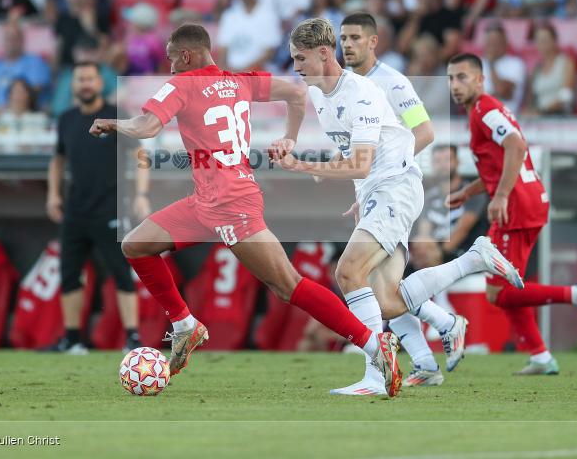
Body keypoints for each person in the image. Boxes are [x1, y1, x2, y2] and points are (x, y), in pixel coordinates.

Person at [89, 24, 403, 396]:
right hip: (207, 200)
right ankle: (187, 325)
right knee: (135, 245)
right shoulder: (239, 80)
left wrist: (114, 123)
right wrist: (290, 136)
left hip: (229, 203)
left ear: (186, 56)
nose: (169, 67)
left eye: (172, 58)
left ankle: (372, 343)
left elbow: (147, 126)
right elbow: (296, 93)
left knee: (287, 285)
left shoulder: (179, 85)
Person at [277, 17, 524, 395]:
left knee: (348, 272)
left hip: (397, 188)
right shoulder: (316, 92)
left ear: (324, 54)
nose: (296, 67)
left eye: (301, 59)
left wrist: (305, 165)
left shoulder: (365, 91)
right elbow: (307, 112)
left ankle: (377, 374)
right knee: (387, 301)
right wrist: (294, 143)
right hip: (378, 191)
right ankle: (474, 261)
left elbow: (366, 159)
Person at [445, 53, 577, 375]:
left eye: (462, 77)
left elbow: (517, 147)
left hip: (517, 206)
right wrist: (468, 191)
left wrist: (501, 195)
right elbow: (502, 162)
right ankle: (541, 356)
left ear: (480, 80)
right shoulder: (484, 111)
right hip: (527, 201)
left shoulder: (484, 110)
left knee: (499, 291)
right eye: (450, 78)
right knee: (507, 289)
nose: (455, 85)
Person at [337, 12, 461, 391]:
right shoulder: (346, 87)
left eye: (356, 37)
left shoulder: (393, 82)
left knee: (364, 277)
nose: (348, 44)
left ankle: (445, 324)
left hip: (395, 187)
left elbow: (424, 131)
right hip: (372, 189)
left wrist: (385, 173)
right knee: (379, 286)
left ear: (374, 42)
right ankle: (425, 359)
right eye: (344, 38)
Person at [46, 62, 141, 354]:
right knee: (70, 274)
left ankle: (132, 339)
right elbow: (58, 159)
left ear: (100, 83)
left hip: (111, 208)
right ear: (73, 85)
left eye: (90, 78)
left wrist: (142, 194)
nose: (85, 84)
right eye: (80, 79)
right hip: (75, 209)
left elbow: (140, 153)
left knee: (121, 273)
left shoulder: (117, 116)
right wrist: (53, 194)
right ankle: (72, 338)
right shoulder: (66, 119)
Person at [216, 0, 281, 72]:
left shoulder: (268, 15)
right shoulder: (229, 16)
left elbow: (269, 53)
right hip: (232, 73)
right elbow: (223, 51)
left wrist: (244, 72)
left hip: (257, 72)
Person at [0, 22, 52, 113]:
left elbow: (35, 91)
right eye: (7, 38)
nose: (11, 42)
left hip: (26, 120)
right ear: (2, 41)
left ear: (22, 40)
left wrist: (7, 110)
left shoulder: (35, 62)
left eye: (14, 38)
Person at [54, 0, 111, 68]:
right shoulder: (61, 19)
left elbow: (106, 49)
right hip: (67, 69)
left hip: (93, 67)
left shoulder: (98, 16)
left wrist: (90, 27)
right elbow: (58, 49)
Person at [524, 23, 577, 116]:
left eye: (545, 40)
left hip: (559, 115)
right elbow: (531, 100)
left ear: (554, 41)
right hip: (540, 116)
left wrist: (542, 111)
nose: (541, 44)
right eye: (538, 41)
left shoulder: (566, 63)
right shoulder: (536, 69)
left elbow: (566, 96)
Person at [480, 23, 526, 115]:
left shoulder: (516, 64)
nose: (492, 45)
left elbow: (503, 91)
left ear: (505, 42)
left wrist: (491, 64)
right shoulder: (476, 64)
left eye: (496, 41)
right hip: (479, 120)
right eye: (489, 41)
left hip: (506, 120)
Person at [116, 3, 165, 75]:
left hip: (147, 81)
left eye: (131, 22)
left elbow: (161, 64)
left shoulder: (153, 41)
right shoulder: (130, 38)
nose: (129, 24)